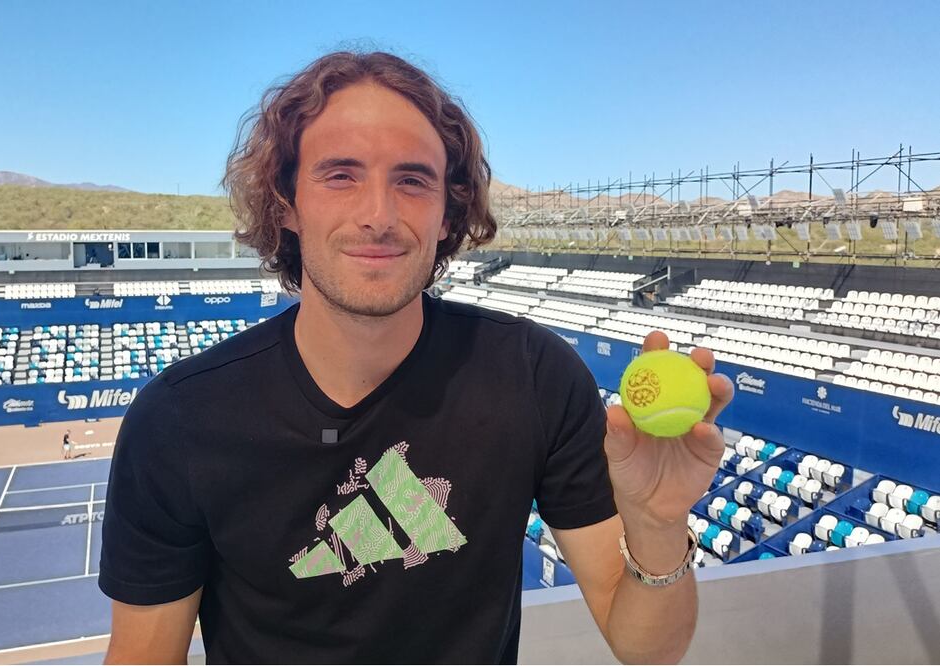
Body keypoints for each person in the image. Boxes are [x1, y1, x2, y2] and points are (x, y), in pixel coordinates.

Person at [100, 51, 733, 664]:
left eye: (412, 180)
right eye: (340, 174)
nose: (378, 215)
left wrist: (655, 521)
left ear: (446, 211)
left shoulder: (533, 375)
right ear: (286, 204)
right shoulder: (181, 420)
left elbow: (647, 649)